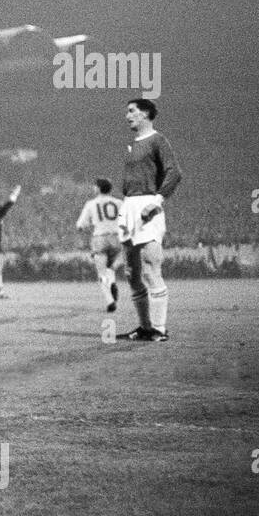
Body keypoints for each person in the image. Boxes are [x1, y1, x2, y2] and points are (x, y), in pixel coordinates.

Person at [116, 98, 183, 341]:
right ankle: (145, 327)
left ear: (146, 114)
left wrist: (156, 201)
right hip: (130, 206)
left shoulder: (158, 140)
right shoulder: (132, 144)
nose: (127, 116)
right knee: (131, 272)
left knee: (150, 267)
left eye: (132, 111)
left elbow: (174, 172)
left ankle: (159, 328)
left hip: (147, 204)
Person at [76, 178, 124, 312]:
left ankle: (110, 301)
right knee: (111, 268)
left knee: (101, 272)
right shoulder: (119, 202)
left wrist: (83, 227)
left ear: (97, 189)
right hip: (116, 237)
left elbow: (80, 224)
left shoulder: (91, 204)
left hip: (100, 238)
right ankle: (112, 282)